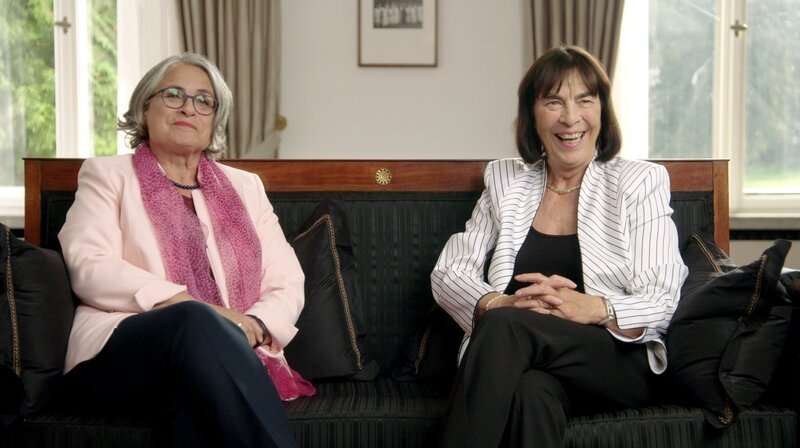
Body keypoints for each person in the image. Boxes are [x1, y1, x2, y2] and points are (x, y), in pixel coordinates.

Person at [430, 45, 688, 447]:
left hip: (614, 359)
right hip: (526, 360)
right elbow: (449, 272)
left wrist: (594, 308)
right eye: (553, 102)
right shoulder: (505, 182)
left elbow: (663, 297)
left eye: (585, 100)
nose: (571, 118)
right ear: (532, 115)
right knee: (531, 393)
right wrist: (499, 301)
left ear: (602, 111)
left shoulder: (638, 182)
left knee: (506, 326)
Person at [57, 53, 314, 448]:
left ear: (215, 121)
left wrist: (253, 325)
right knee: (194, 321)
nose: (188, 108)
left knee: (192, 395)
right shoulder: (107, 174)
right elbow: (90, 265)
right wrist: (199, 308)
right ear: (145, 108)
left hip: (209, 359)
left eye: (203, 100)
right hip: (119, 351)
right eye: (173, 94)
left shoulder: (246, 187)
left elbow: (286, 280)